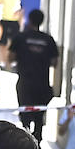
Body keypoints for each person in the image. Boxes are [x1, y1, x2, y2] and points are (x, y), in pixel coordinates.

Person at [11, 10, 60, 142]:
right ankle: (37, 138)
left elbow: (11, 57)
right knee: (39, 114)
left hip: (25, 83)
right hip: (42, 83)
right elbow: (54, 62)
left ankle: (26, 140)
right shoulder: (48, 39)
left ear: (29, 20)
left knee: (25, 113)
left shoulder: (21, 37)